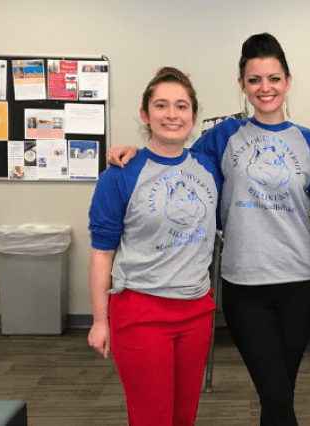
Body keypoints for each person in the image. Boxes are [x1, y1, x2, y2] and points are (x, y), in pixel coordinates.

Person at [107, 34, 310, 426]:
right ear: (242, 84)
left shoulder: (309, 142)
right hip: (245, 286)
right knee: (275, 392)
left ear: (288, 82)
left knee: (282, 392)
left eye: (274, 78)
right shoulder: (223, 137)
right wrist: (136, 152)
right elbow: (173, 151)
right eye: (254, 79)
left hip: (299, 285)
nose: (265, 88)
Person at [87, 66, 222, 426]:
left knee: (183, 417)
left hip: (196, 311)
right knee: (152, 417)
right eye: (161, 106)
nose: (172, 114)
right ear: (146, 115)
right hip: (141, 311)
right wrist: (100, 321)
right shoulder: (120, 174)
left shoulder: (209, 167)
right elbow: (102, 252)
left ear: (193, 116)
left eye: (181, 106)